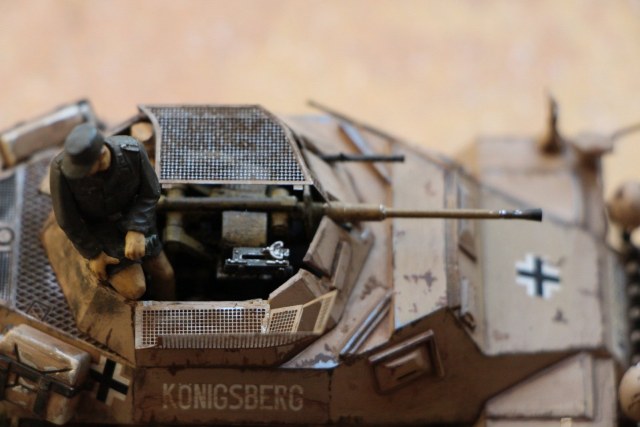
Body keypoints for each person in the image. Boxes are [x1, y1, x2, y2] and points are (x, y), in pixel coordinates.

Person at [49, 123, 174, 300]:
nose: (79, 175)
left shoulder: (133, 152)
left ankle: (167, 310)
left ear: (101, 156)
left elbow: (150, 192)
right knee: (135, 289)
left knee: (165, 274)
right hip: (101, 230)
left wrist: (136, 229)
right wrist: (94, 253)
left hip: (136, 217)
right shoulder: (61, 169)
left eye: (84, 170)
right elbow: (68, 219)